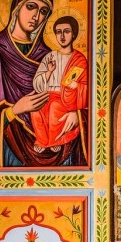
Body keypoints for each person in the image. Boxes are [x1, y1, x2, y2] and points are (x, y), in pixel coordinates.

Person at [0, 0, 87, 167]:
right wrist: (15, 110)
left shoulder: (48, 55)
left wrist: (77, 114)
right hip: (11, 146)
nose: (37, 17)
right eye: (31, 7)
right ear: (16, 7)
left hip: (60, 140)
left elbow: (78, 90)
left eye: (44, 11)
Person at [31, 15, 89, 155]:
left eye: (66, 31)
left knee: (54, 108)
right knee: (35, 109)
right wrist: (49, 72)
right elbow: (37, 83)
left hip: (66, 98)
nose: (62, 36)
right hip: (46, 94)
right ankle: (42, 141)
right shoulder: (49, 56)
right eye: (58, 32)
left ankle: (55, 141)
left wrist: (77, 86)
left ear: (74, 34)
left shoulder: (79, 59)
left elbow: (88, 86)